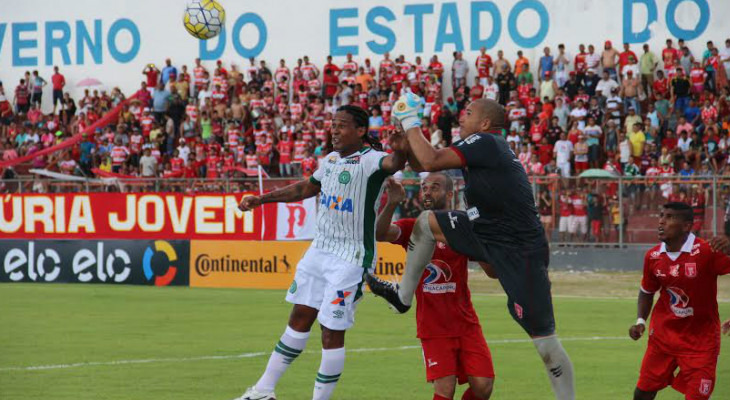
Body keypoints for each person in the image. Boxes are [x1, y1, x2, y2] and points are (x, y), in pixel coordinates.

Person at [366, 96, 575, 400]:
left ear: (486, 123)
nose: (461, 117)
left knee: (545, 344)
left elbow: (430, 161)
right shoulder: (480, 150)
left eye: (468, 113)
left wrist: (410, 120)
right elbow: (423, 163)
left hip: (518, 250)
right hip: (485, 232)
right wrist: (405, 148)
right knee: (425, 223)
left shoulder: (487, 142)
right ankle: (402, 297)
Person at [235, 105, 406, 400]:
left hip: (350, 258)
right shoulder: (329, 160)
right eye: (333, 125)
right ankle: (263, 391)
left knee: (331, 330)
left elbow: (394, 163)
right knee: (299, 317)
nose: (334, 130)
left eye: (342, 125)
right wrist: (260, 200)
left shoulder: (372, 161)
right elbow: (304, 189)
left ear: (361, 130)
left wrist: (402, 147)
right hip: (319, 252)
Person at [376, 174, 495, 400]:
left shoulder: (462, 226)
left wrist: (484, 237)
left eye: (435, 187)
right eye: (424, 187)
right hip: (433, 326)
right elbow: (380, 233)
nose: (428, 191)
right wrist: (392, 202)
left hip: (465, 322)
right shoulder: (414, 227)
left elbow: (491, 272)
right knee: (445, 389)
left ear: (450, 194)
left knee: (484, 386)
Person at [629, 202, 730, 400]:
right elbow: (647, 291)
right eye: (661, 215)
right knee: (643, 392)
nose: (661, 222)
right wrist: (641, 321)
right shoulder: (653, 256)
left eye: (670, 217)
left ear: (686, 226)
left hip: (701, 344)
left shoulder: (707, 252)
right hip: (663, 339)